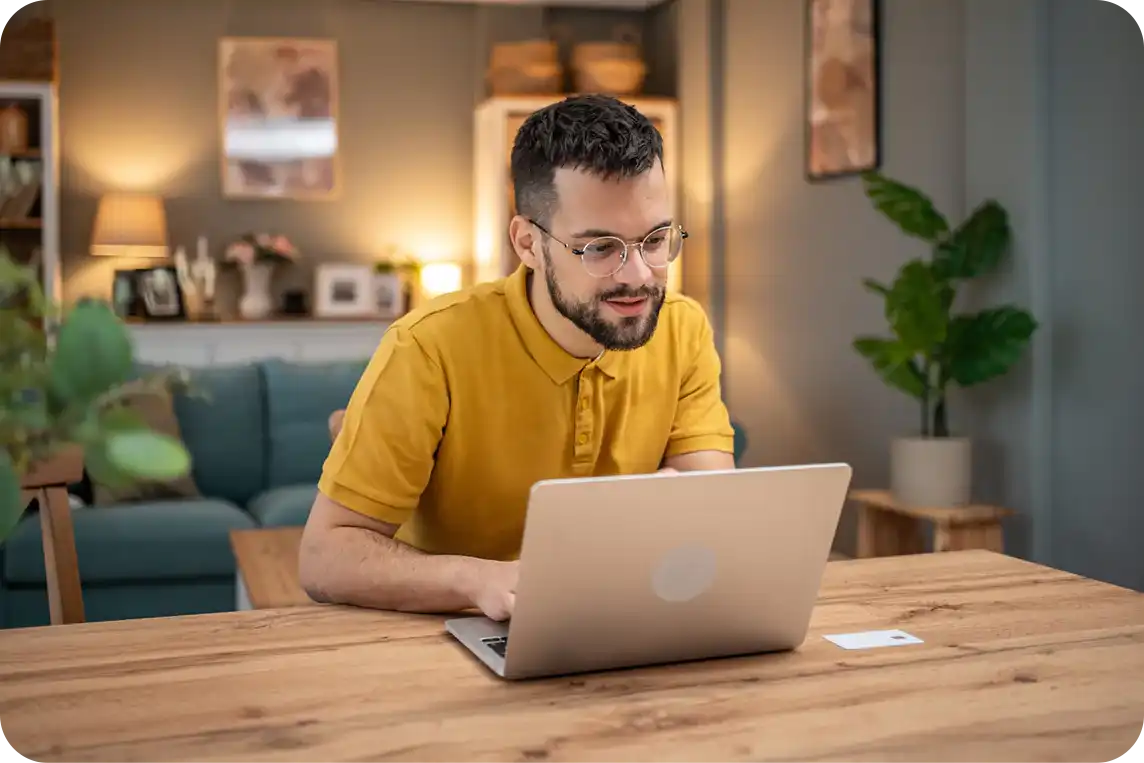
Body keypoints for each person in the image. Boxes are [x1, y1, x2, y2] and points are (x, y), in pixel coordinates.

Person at [299, 94, 736, 622]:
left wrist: (688, 501)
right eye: (600, 248)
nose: (638, 275)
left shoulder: (683, 328)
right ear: (528, 243)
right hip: (454, 633)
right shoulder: (427, 346)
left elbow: (707, 500)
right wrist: (478, 579)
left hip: (625, 618)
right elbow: (324, 557)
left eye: (655, 240)